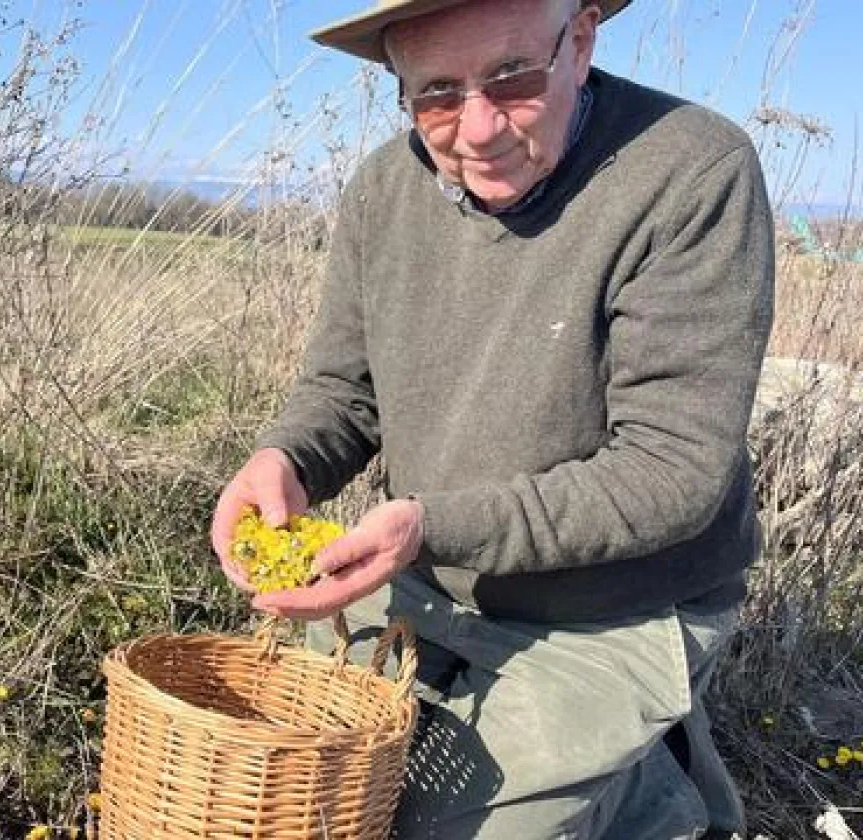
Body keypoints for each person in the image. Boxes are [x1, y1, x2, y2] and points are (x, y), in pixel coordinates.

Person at [209, 0, 774, 837]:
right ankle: (619, 770)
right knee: (291, 791)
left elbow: (671, 471)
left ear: (579, 41)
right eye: (436, 93)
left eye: (511, 77)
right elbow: (344, 387)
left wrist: (431, 527)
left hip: (613, 606)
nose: (476, 128)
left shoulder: (691, 169)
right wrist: (284, 459)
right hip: (430, 573)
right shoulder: (382, 189)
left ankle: (657, 790)